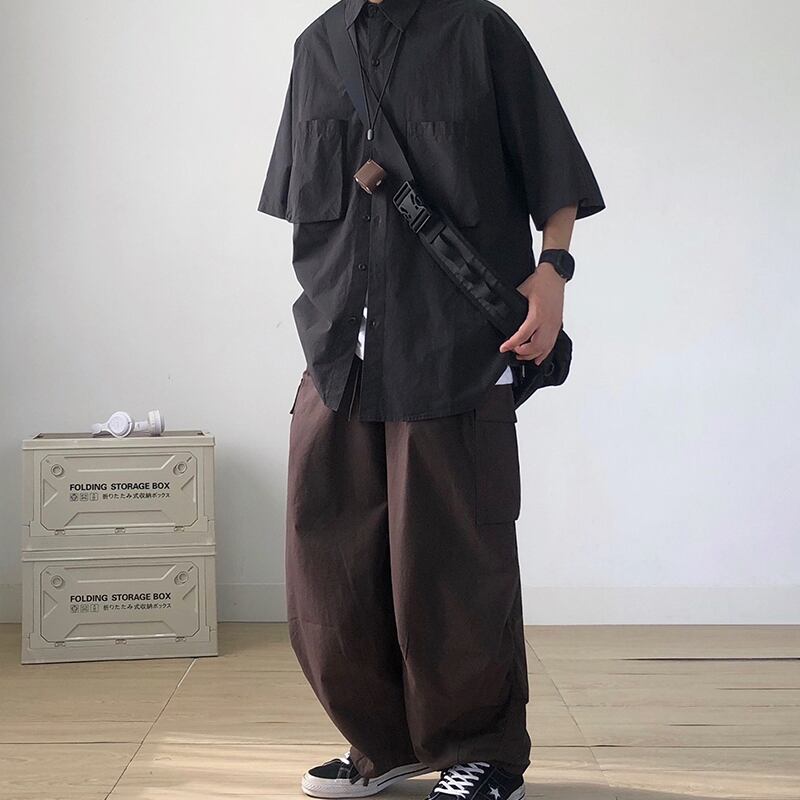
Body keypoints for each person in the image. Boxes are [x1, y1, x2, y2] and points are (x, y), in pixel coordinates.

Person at [257, 1, 604, 799]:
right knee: (330, 556)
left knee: (454, 558)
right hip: (341, 348)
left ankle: (481, 750)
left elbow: (553, 168)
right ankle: (382, 744)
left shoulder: (479, 31)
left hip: (452, 345)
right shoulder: (317, 47)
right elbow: (303, 203)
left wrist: (553, 271)